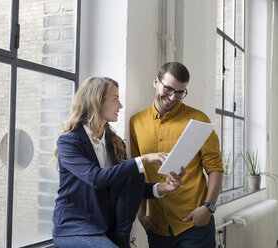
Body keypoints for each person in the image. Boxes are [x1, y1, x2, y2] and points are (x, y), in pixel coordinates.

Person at [52, 77, 186, 248]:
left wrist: (162, 188)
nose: (120, 106)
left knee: (134, 173)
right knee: (134, 166)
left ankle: (121, 238)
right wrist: (143, 159)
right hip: (74, 228)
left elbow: (127, 185)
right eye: (115, 99)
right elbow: (96, 178)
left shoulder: (114, 142)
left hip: (105, 226)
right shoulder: (69, 142)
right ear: (96, 102)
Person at [130, 62, 224, 248]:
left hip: (194, 223)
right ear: (156, 82)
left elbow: (215, 168)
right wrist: (140, 214)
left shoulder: (198, 119)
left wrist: (208, 208)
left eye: (180, 92)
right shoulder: (136, 122)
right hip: (158, 226)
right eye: (168, 89)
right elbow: (137, 172)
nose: (173, 97)